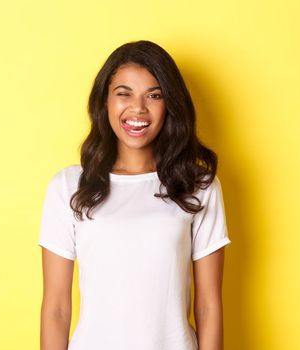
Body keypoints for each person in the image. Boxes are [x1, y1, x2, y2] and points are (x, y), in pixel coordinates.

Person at [38, 40, 231, 350]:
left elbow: (209, 306)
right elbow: (57, 309)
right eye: (124, 93)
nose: (138, 108)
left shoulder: (197, 185)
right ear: (105, 102)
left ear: (170, 105)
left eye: (154, 95)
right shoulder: (68, 187)